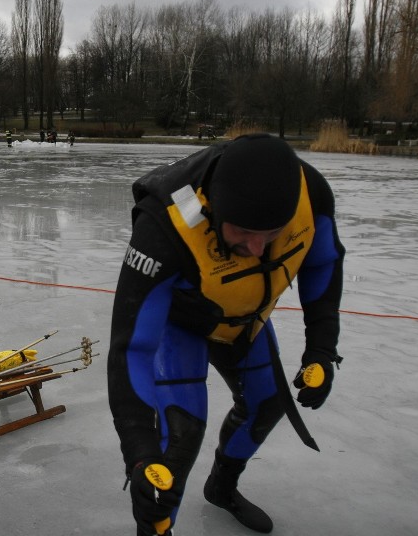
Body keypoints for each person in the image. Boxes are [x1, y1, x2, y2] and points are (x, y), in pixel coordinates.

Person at [107, 133, 345, 535]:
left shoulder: (311, 193)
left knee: (267, 403)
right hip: (180, 323)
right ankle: (155, 528)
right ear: (214, 207)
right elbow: (131, 347)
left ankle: (222, 486)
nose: (255, 248)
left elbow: (323, 264)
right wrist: (139, 452)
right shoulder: (162, 225)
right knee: (179, 437)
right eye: (243, 231)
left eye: (270, 234)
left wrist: (321, 349)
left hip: (242, 321)